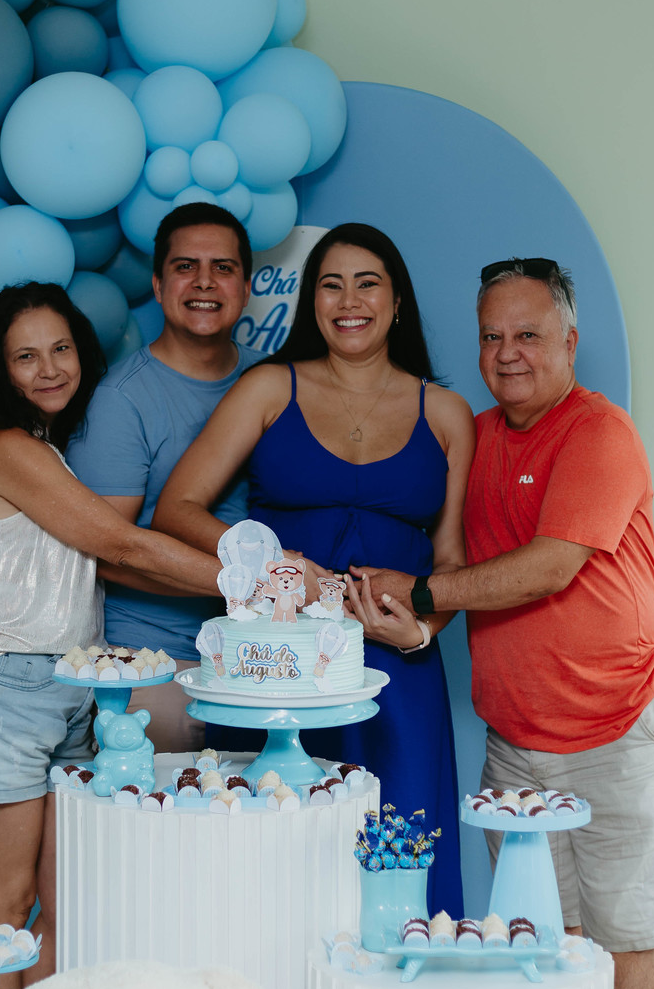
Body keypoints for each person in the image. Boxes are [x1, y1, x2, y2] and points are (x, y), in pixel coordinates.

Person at [351, 257, 654, 989]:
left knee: (626, 925)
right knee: (547, 928)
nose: (507, 353)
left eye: (528, 334)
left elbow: (546, 567)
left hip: (616, 719)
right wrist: (411, 617)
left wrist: (421, 593)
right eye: (492, 336)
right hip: (517, 734)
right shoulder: (477, 436)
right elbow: (453, 561)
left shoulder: (601, 433)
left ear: (569, 340)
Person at [153, 223, 475, 917]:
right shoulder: (270, 387)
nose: (348, 300)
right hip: (281, 658)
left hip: (397, 671)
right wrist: (278, 567)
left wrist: (421, 631)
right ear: (312, 302)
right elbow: (177, 508)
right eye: (331, 284)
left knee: (399, 857)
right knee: (273, 859)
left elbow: (451, 561)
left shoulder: (448, 413)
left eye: (367, 284)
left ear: (397, 302)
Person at [0, 281, 222, 989]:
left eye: (61, 349)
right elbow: (122, 544)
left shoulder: (43, 448)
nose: (50, 368)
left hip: (67, 686)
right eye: (25, 356)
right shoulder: (4, 447)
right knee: (2, 918)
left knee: (67, 909)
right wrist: (253, 581)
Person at [66, 204, 264, 751]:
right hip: (158, 659)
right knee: (158, 804)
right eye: (185, 267)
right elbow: (105, 552)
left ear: (246, 287)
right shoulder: (120, 400)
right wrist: (241, 585)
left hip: (264, 656)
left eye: (223, 267)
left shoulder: (275, 380)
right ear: (157, 285)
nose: (204, 281)